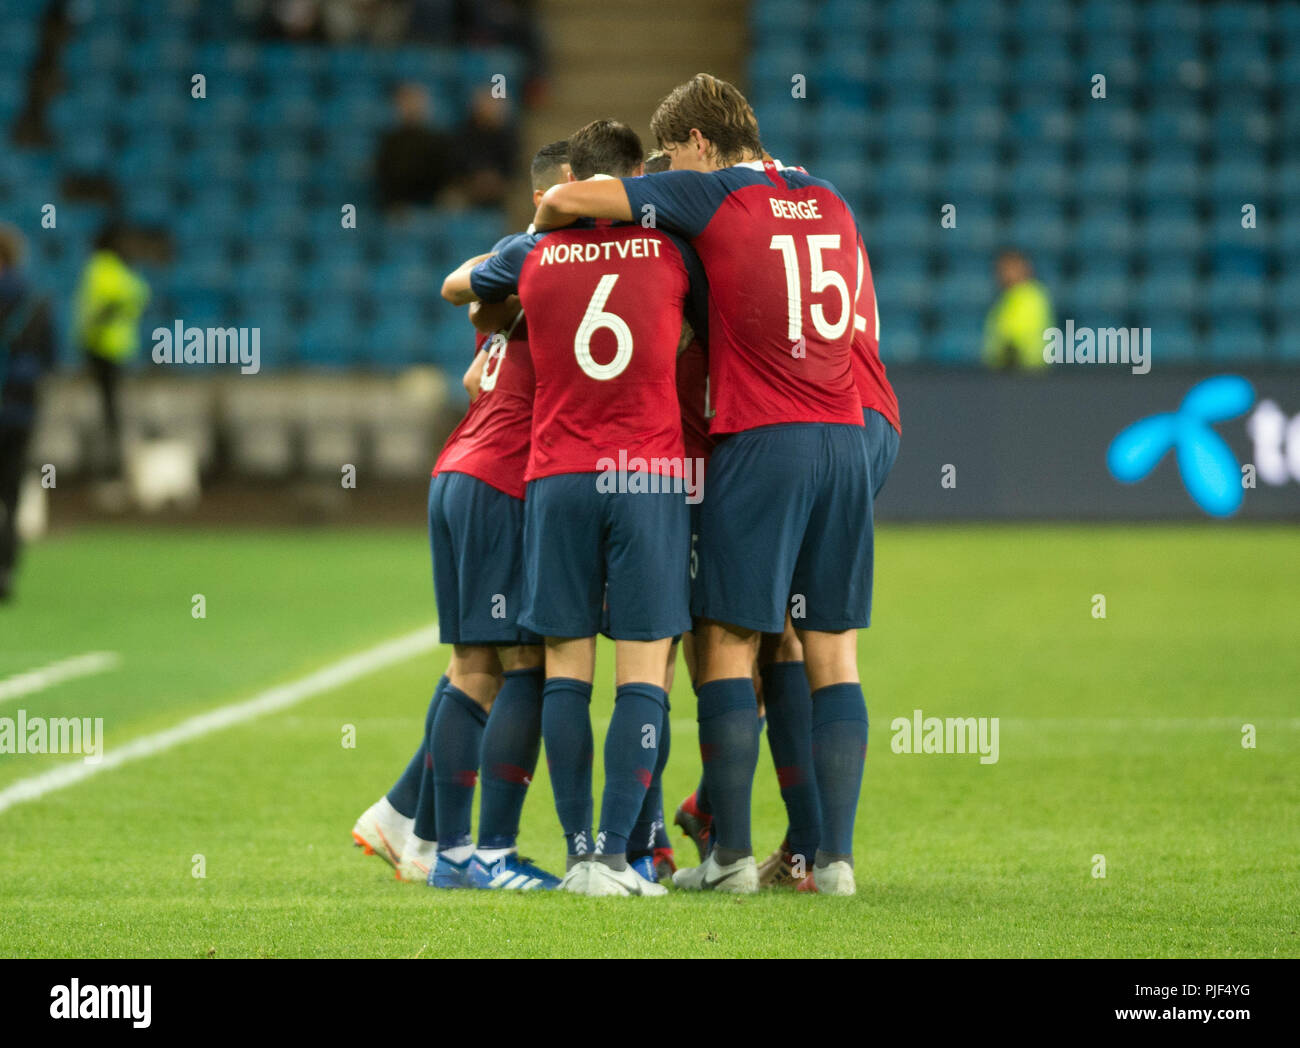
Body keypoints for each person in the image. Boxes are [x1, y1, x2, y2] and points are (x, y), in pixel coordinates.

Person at [533, 74, 900, 896]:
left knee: (728, 641)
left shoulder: (712, 197)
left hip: (763, 438)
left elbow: (582, 199)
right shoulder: (831, 196)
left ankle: (728, 855)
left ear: (697, 144)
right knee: (828, 651)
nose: (669, 168)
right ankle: (829, 860)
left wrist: (546, 217)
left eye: (672, 154)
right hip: (849, 433)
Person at [444, 119, 709, 897]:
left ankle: (579, 856)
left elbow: (476, 312)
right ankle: (624, 856)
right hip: (646, 473)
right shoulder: (671, 251)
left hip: (556, 474)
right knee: (643, 673)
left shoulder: (536, 256)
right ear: (627, 182)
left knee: (565, 668)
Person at [352, 141, 571, 891]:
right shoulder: (566, 274)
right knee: (500, 667)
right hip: (499, 479)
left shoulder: (513, 273)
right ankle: (449, 856)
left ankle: (404, 820)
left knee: (470, 662)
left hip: (460, 470)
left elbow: (479, 333)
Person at [0, 224, 56, 603]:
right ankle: (5, 568)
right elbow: (51, 357)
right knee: (11, 494)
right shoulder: (37, 303)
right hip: (19, 410)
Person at [74, 224, 149, 480]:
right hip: (117, 349)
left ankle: (113, 468)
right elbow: (139, 294)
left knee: (109, 412)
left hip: (100, 348)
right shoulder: (121, 269)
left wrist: (93, 331)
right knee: (113, 411)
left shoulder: (99, 268)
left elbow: (96, 307)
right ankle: (118, 466)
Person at [374, 82, 454, 211]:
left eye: (415, 102)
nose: (411, 106)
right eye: (406, 102)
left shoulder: (437, 139)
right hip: (399, 201)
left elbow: (443, 172)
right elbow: (386, 176)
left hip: (433, 197)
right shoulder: (390, 140)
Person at [982, 248, 1053, 370]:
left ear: (1025, 268)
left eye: (1011, 268)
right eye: (1002, 269)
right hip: (1006, 370)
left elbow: (1015, 342)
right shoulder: (1006, 297)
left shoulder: (1031, 296)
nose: (1005, 273)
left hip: (1025, 373)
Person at [454, 87, 519, 209]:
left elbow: (512, 164)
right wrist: (475, 177)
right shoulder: (464, 133)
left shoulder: (507, 136)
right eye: (486, 104)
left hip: (499, 187)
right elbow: (458, 161)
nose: (490, 109)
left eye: (494, 105)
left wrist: (496, 179)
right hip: (467, 185)